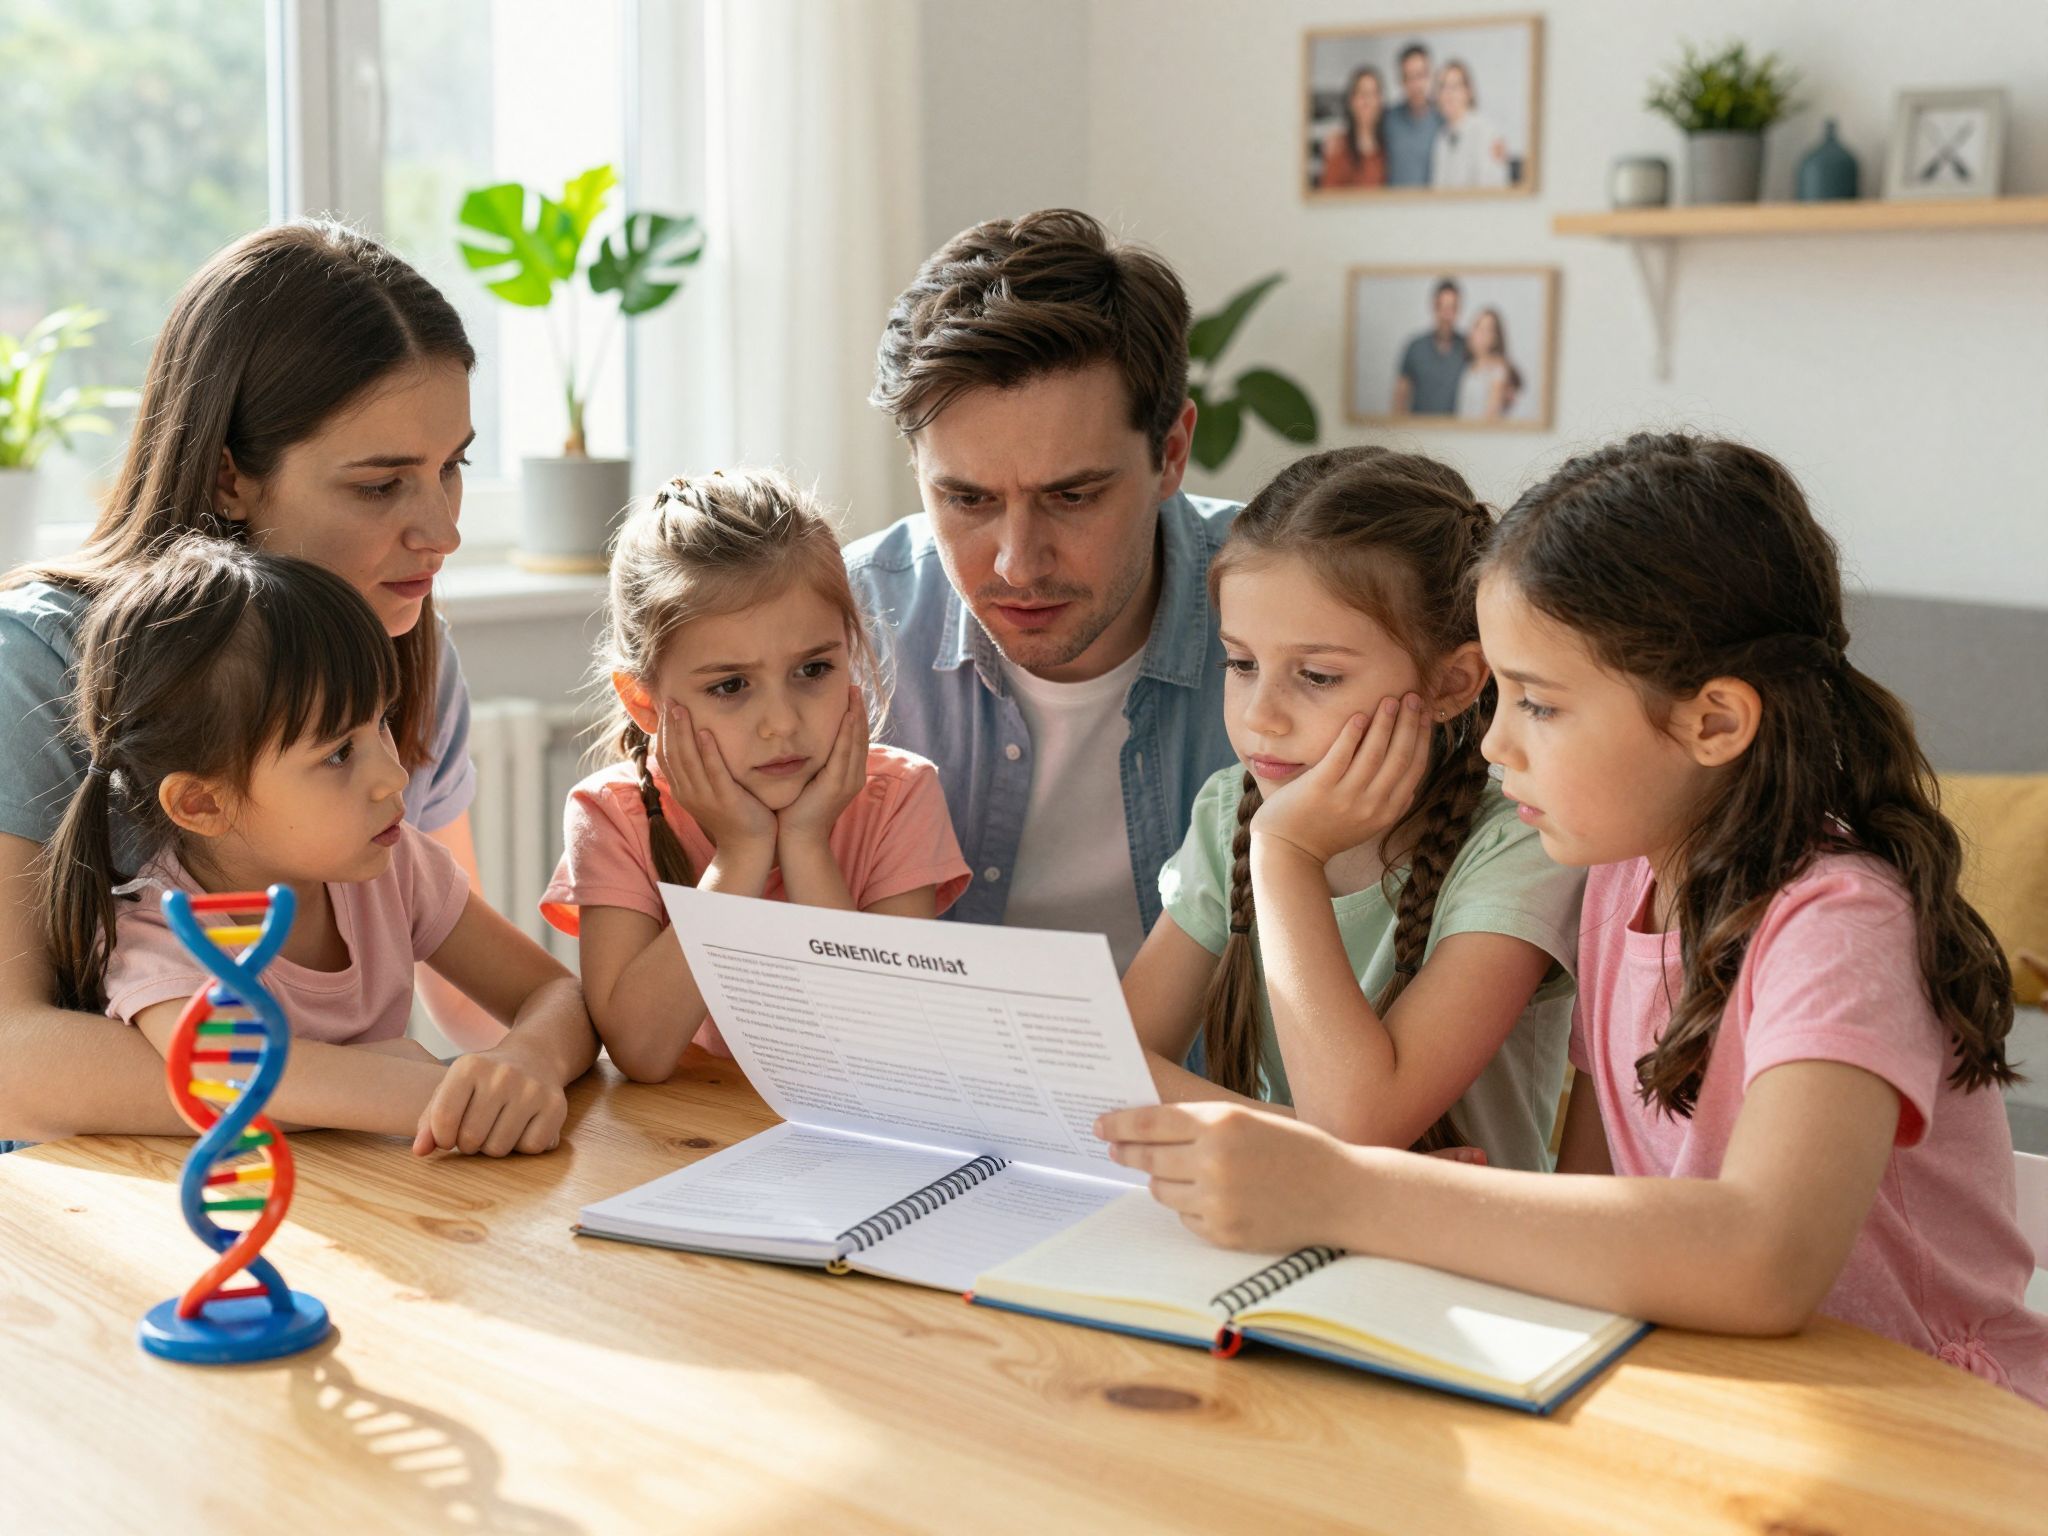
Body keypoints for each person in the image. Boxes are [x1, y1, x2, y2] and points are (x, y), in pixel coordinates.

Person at [1099, 433, 2048, 1407]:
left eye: (1539, 706)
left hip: (1934, 1429)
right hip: (1717, 1395)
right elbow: (1602, 1209)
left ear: (1713, 723)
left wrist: (1346, 1190)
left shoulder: (1837, 920)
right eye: (1501, 695)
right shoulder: (1616, 882)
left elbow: (1762, 1260)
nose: (1496, 743)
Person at [0, 222, 499, 1148]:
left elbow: (464, 986)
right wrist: (370, 1091)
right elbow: (12, 1064)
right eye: (381, 486)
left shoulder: (407, 643)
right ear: (230, 478)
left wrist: (544, 1054)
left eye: (452, 467)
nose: (443, 531)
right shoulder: (34, 661)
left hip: (326, 1192)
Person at [46, 542, 595, 1155]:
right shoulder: (160, 933)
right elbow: (236, 1074)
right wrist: (434, 1087)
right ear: (203, 804)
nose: (393, 775)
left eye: (381, 722)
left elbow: (561, 995)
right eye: (337, 753)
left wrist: (528, 1059)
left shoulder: (396, 868)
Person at [1122, 448, 1581, 1171]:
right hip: (1270, 1232)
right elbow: (1108, 1067)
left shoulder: (1520, 845)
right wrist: (1316, 1148)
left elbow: (1360, 1120)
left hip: (1460, 1268)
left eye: (1318, 676)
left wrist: (1285, 854)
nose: (1261, 717)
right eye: (1241, 664)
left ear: (1453, 682)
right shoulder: (1228, 815)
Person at [848, 209, 1238, 974]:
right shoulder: (843, 628)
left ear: (1172, 452)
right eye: (967, 501)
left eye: (1073, 497)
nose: (1017, 566)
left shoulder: (1306, 622)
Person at [542, 469, 971, 1083]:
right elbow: (641, 1050)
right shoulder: (612, 814)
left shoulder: (898, 796)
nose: (781, 724)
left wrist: (805, 842)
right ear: (644, 702)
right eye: (732, 686)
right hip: (693, 1146)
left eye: (813, 670)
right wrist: (741, 853)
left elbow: (885, 1043)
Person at [1429, 61, 1511, 190]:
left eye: (1454, 87)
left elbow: (1492, 189)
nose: (1447, 94)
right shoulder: (1441, 137)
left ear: (1469, 92)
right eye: (1442, 87)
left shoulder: (1488, 133)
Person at [1393, 278, 1468, 417]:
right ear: (1433, 307)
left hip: (1457, 434)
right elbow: (1400, 397)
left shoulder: (1468, 347)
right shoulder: (1415, 347)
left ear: (1459, 310)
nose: (1447, 315)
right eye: (1442, 307)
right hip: (1420, 433)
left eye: (1452, 308)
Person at [1380, 43, 1443, 188]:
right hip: (1394, 207)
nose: (1416, 85)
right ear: (1400, 81)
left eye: (1420, 75)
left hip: (1433, 207)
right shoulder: (1388, 119)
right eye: (1409, 77)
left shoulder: (1443, 119)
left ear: (1431, 76)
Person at [1317, 65, 1387, 190]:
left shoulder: (1388, 147)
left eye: (1373, 94)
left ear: (1380, 101)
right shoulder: (1337, 148)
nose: (1368, 101)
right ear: (1352, 101)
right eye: (1362, 94)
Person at [1456, 307, 1522, 422]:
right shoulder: (1468, 367)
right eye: (1477, 327)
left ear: (1495, 337)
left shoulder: (1498, 370)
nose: (1480, 334)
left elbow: (1491, 416)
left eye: (1487, 330)